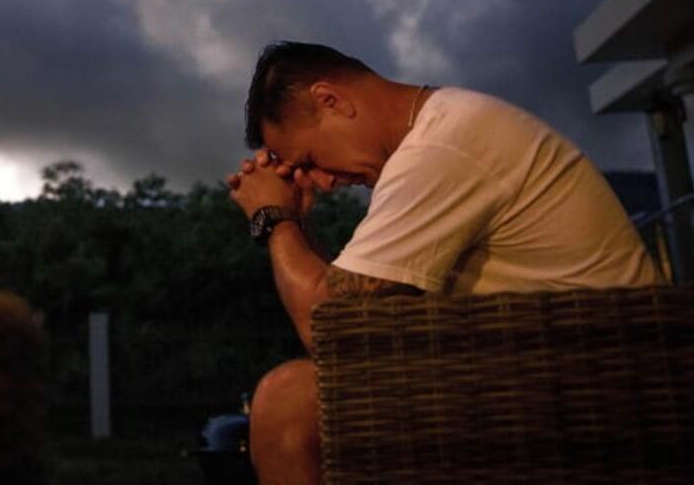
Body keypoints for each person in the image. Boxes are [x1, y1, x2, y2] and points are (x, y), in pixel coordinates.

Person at [226, 41, 665, 485]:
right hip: (569, 371)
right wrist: (298, 221)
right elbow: (356, 325)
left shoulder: (440, 148)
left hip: (596, 391)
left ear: (331, 100)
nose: (321, 182)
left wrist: (273, 218)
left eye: (311, 161)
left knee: (290, 403)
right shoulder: (446, 129)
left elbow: (331, 333)